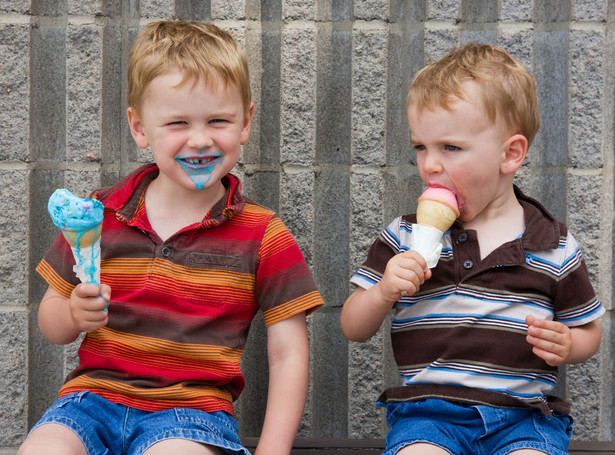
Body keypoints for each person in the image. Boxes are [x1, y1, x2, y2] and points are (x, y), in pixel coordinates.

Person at [20, 20, 323, 455]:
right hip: (90, 401)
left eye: (218, 120)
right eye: (178, 122)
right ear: (140, 127)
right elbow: (52, 323)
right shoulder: (97, 216)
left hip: (191, 414)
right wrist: (72, 313)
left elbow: (289, 355)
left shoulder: (263, 235)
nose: (200, 139)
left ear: (245, 123)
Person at [340, 43, 603, 455]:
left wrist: (569, 344)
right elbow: (353, 327)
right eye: (420, 147)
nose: (429, 165)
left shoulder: (553, 243)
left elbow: (589, 330)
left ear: (510, 153)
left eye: (450, 148)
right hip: (429, 416)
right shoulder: (404, 235)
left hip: (525, 417)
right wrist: (382, 291)